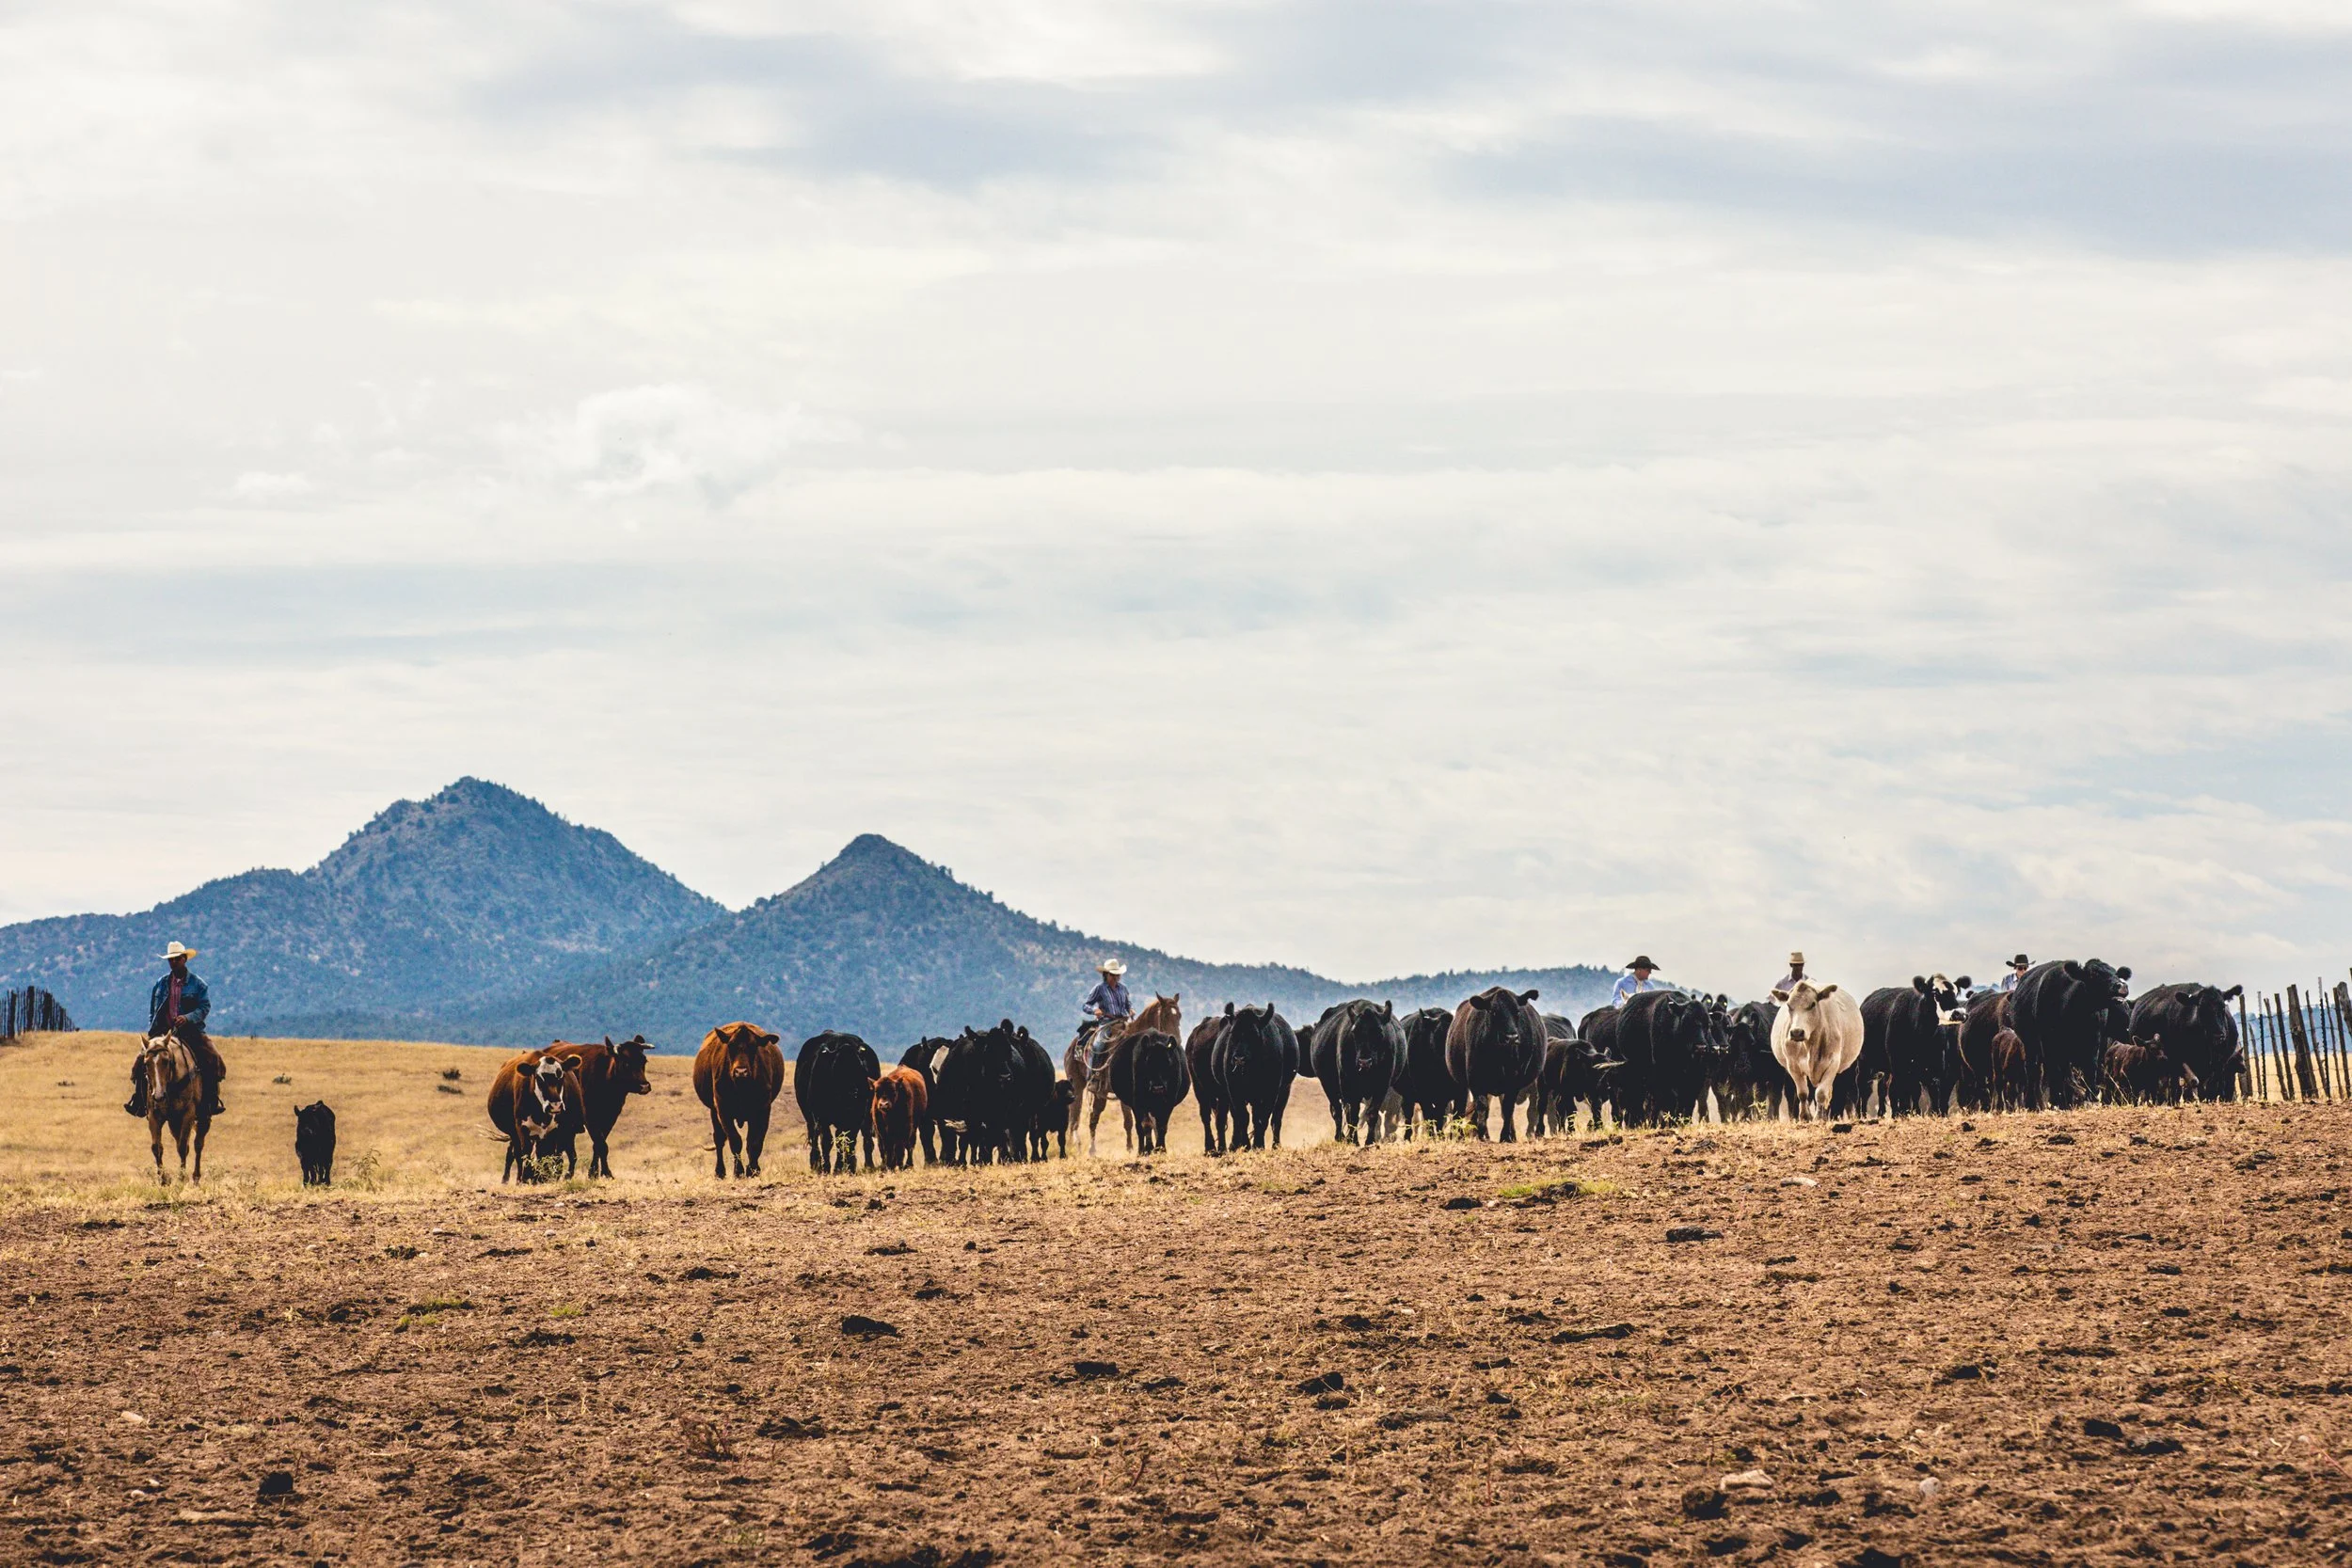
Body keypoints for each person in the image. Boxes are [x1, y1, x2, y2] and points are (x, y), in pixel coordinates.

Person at [125, 942, 225, 1118]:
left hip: (191, 1032)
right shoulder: (161, 984)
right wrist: (154, 1030)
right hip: (162, 1032)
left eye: (177, 959)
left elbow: (204, 1007)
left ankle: (210, 1101)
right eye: (170, 960)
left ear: (184, 959)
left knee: (213, 1059)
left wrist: (188, 1018)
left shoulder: (198, 985)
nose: (173, 962)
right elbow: (153, 1009)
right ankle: (140, 1102)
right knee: (141, 1062)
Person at [1080, 958, 1132, 1068]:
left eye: (1117, 975)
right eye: (1112, 975)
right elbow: (1086, 1005)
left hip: (1124, 1022)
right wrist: (1094, 1010)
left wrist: (1130, 1010)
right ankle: (1092, 1073)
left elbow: (1128, 1004)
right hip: (1107, 1023)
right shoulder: (1099, 989)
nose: (1115, 977)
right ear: (1106, 975)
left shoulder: (1123, 989)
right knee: (1098, 1046)